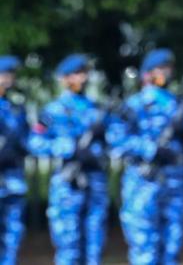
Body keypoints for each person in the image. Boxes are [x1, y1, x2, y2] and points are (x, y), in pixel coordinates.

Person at [110, 48, 183, 265]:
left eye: (169, 69)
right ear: (147, 74)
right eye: (161, 69)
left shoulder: (180, 106)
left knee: (172, 248)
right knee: (144, 250)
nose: (167, 73)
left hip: (174, 184)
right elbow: (116, 141)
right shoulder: (134, 105)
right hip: (143, 182)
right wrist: (151, 149)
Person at [29, 53, 112, 265]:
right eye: (76, 74)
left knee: (94, 247)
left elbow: (118, 141)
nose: (81, 79)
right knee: (68, 248)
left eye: (84, 74)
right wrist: (69, 149)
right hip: (67, 184)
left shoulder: (97, 109)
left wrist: (102, 144)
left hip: (95, 182)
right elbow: (35, 143)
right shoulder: (52, 110)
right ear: (63, 78)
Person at [0, 55, 28, 265]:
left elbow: (29, 141)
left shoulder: (15, 109)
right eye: (3, 75)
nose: (7, 79)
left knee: (12, 236)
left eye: (10, 75)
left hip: (13, 182)